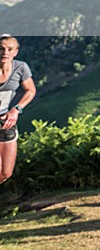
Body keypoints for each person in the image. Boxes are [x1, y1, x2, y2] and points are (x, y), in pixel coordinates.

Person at [0, 35, 37, 184]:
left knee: (5, 173)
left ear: (16, 52)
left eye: (9, 49)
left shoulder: (21, 68)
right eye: (1, 49)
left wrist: (16, 109)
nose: (5, 52)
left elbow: (31, 90)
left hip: (6, 122)